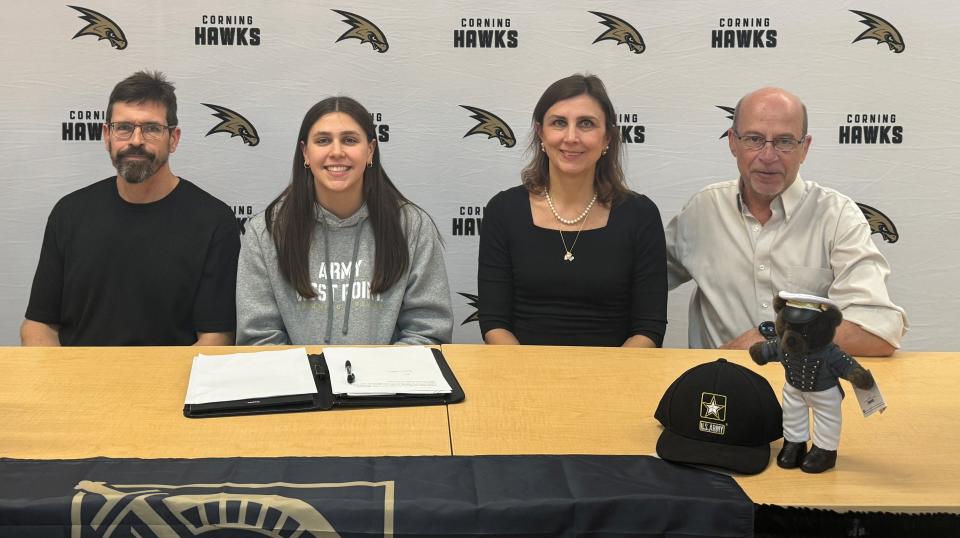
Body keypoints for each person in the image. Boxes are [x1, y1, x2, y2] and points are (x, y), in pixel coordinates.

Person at [665, 87, 907, 356]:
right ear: (733, 142)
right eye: (754, 139)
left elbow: (879, 332)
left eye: (784, 142)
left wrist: (776, 339)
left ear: (804, 148)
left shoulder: (837, 216)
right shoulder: (703, 210)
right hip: (718, 392)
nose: (768, 156)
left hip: (807, 393)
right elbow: (637, 280)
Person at [21, 71, 240, 346]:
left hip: (172, 386)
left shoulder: (214, 222)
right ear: (106, 135)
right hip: (78, 384)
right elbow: (38, 325)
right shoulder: (68, 213)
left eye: (151, 128)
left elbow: (216, 337)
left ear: (174, 139)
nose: (136, 140)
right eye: (123, 127)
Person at [236, 96, 453, 345]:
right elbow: (259, 337)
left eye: (349, 140)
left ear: (370, 150)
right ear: (306, 152)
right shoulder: (266, 232)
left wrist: (374, 380)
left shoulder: (412, 227)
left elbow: (428, 331)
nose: (337, 152)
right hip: (299, 382)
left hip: (388, 383)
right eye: (323, 141)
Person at [478, 74, 667, 347]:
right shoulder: (504, 211)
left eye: (586, 124)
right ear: (541, 133)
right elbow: (494, 323)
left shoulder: (640, 215)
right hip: (522, 376)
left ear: (607, 138)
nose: (571, 137)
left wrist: (607, 382)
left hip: (616, 378)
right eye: (559, 123)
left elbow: (648, 329)